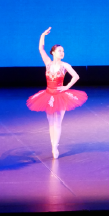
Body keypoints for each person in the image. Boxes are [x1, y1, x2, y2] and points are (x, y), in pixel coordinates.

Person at [27, 27, 87, 158]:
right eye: (60, 51)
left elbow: (76, 76)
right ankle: (52, 144)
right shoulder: (48, 63)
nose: (62, 53)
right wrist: (42, 35)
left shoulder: (65, 65)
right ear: (53, 52)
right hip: (48, 95)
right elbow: (41, 49)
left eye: (63, 51)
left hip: (60, 96)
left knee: (58, 122)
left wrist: (66, 87)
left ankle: (55, 146)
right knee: (51, 122)